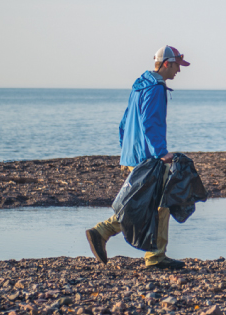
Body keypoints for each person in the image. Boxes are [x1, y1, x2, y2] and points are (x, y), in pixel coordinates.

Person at [85, 45, 190, 269]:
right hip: (148, 157)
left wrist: (127, 152)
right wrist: (161, 153)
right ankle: (153, 255)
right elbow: (150, 123)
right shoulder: (156, 88)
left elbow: (124, 123)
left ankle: (106, 234)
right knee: (157, 205)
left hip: (134, 155)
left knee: (142, 205)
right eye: (177, 66)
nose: (178, 71)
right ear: (166, 64)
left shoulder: (139, 87)